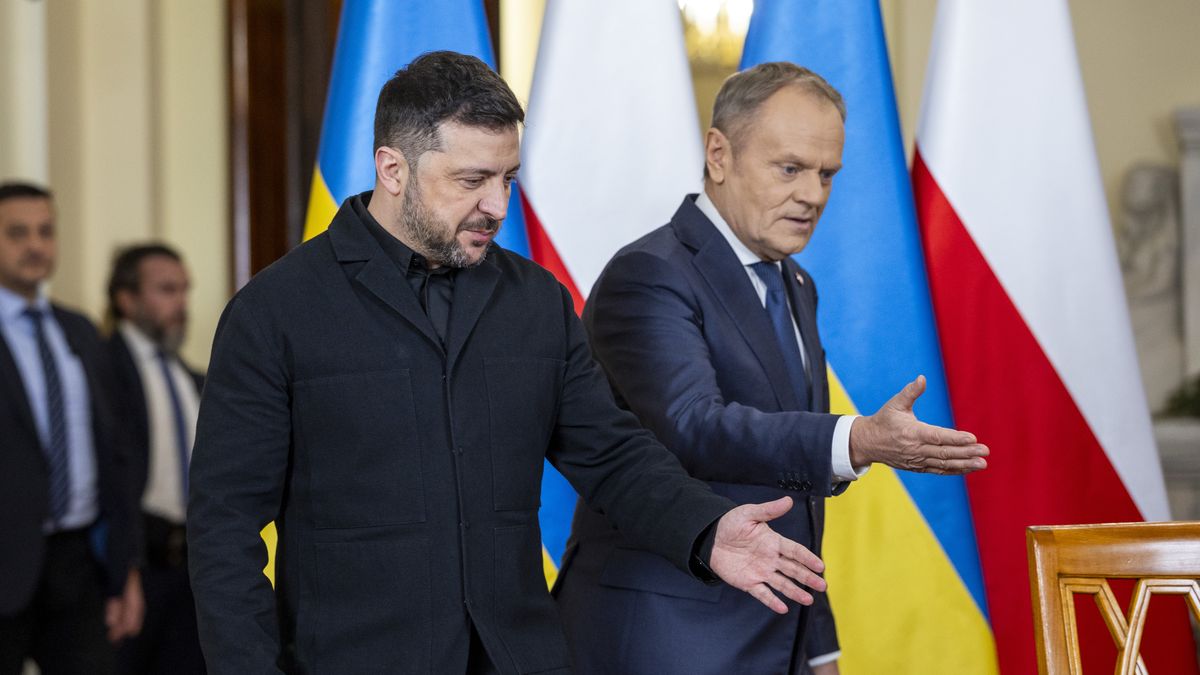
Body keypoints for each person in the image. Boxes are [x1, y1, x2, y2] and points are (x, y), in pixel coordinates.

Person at [188, 51, 832, 675]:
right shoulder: (274, 311)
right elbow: (224, 530)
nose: (497, 205)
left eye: (508, 179)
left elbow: (613, 456)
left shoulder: (536, 301)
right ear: (392, 169)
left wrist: (707, 530)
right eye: (471, 181)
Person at [553, 63, 990, 675]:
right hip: (664, 639)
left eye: (827, 174)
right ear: (719, 155)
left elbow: (795, 497)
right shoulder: (649, 273)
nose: (813, 195)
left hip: (776, 639)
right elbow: (692, 428)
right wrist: (858, 439)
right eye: (790, 168)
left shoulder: (795, 283)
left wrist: (818, 646)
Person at [0, 182, 143, 674]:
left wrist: (125, 567)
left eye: (45, 232)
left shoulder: (79, 331)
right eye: (17, 233)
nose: (35, 245)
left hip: (78, 565)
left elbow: (116, 453)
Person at [105, 244, 206, 674]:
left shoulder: (190, 377)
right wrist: (122, 570)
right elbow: (107, 479)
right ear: (126, 299)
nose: (181, 303)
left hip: (190, 568)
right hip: (134, 567)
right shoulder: (100, 367)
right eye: (166, 290)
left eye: (184, 290)